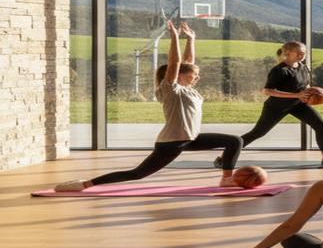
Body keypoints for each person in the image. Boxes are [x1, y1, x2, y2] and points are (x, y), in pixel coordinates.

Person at [54, 20, 243, 192]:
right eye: (194, 76)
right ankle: (84, 184)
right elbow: (175, 63)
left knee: (235, 141)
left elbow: (187, 64)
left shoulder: (187, 89)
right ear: (179, 76)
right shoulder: (171, 89)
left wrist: (191, 39)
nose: (197, 78)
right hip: (172, 142)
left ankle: (226, 179)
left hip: (191, 138)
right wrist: (174, 37)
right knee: (137, 174)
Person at [231, 41, 323, 168]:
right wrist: (296, 95)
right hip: (276, 107)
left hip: (298, 105)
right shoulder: (279, 70)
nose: (302, 54)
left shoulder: (304, 68)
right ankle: (225, 156)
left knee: (321, 125)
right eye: (299, 52)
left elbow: (305, 86)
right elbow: (267, 91)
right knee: (258, 133)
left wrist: (311, 95)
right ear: (288, 53)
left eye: (303, 52)